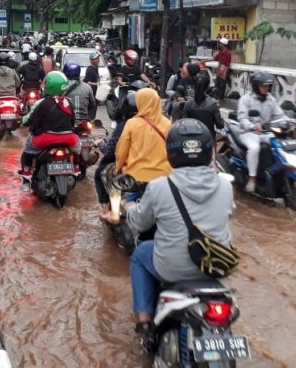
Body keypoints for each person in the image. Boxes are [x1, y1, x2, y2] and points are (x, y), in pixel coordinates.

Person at [105, 118, 234, 347]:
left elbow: (138, 224)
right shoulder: (225, 186)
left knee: (140, 253)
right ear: (209, 151)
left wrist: (130, 206)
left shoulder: (160, 187)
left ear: (171, 153)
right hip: (215, 265)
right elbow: (226, 214)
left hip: (172, 268)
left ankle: (143, 322)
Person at [18, 71, 79, 180]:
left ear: (49, 86)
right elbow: (73, 122)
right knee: (77, 147)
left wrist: (29, 126)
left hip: (47, 139)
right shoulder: (70, 102)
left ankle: (27, 172)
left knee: (28, 146)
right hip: (69, 139)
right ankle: (76, 167)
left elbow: (33, 120)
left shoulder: (43, 103)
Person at [235, 71, 289, 193]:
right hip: (248, 133)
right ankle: (252, 178)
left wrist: (292, 122)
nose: (266, 88)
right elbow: (242, 118)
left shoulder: (271, 100)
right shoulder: (245, 99)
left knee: (280, 145)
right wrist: (252, 126)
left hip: (265, 132)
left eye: (268, 86)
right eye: (263, 86)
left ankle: (275, 172)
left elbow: (280, 115)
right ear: (256, 86)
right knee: (254, 148)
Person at [114, 87, 172, 187]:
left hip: (136, 178)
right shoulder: (168, 124)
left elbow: (121, 152)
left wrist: (117, 168)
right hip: (164, 178)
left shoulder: (132, 123)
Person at [94, 90, 140, 215]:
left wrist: (100, 144)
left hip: (129, 167)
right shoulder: (156, 124)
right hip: (151, 167)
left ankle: (108, 213)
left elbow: (112, 150)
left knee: (100, 173)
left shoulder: (125, 125)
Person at [182, 73, 224, 141]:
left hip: (191, 139)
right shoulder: (212, 104)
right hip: (208, 140)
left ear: (194, 86)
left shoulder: (188, 104)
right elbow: (220, 125)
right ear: (207, 87)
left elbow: (183, 123)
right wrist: (222, 121)